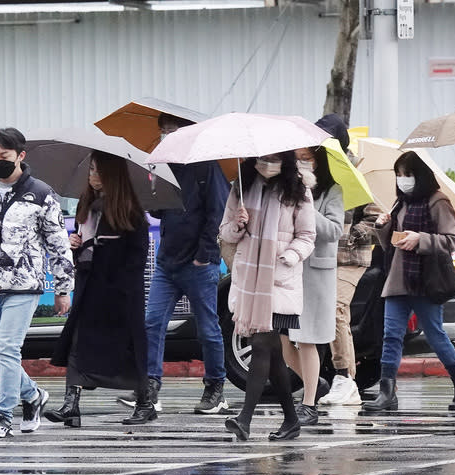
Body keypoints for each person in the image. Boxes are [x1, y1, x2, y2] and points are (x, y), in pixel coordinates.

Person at [117, 113, 230, 415]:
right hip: (167, 263)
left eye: (171, 131)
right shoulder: (165, 168)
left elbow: (217, 212)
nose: (167, 136)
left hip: (199, 263)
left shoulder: (208, 167)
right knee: (152, 323)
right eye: (163, 131)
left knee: (208, 328)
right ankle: (150, 386)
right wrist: (149, 187)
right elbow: (159, 212)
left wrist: (204, 254)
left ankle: (215, 388)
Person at [0, 127, 74, 439]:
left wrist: (63, 288)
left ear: (21, 156)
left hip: (25, 284)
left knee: (7, 347)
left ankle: (2, 415)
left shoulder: (41, 194)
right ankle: (33, 396)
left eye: (4, 156)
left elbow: (58, 243)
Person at [45, 151, 153, 426]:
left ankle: (145, 402)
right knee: (78, 342)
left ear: (112, 175)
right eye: (90, 170)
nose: (92, 176)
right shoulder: (87, 205)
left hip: (120, 294)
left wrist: (105, 255)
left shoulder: (130, 212)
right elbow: (83, 248)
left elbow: (136, 259)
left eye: (98, 171)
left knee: (129, 348)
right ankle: (71, 404)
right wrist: (76, 245)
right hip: (89, 287)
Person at [363, 151, 455, 414]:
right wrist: (383, 226)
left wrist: (420, 239)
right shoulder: (400, 203)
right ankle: (386, 391)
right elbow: (391, 243)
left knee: (435, 334)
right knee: (390, 335)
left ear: (420, 175)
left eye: (407, 175)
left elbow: (451, 240)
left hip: (425, 280)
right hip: (398, 278)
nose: (402, 180)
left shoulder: (438, 202)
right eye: (399, 175)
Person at [220, 152, 316, 441]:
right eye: (262, 158)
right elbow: (225, 232)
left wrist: (288, 256)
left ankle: (245, 420)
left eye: (274, 158)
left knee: (261, 344)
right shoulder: (241, 187)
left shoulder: (298, 189)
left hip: (279, 281)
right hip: (250, 281)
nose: (267, 163)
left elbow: (307, 235)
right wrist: (237, 224)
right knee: (272, 354)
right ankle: (290, 420)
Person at [280, 145, 343, 426]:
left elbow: (334, 231)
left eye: (306, 158)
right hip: (290, 272)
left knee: (308, 340)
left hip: (317, 275)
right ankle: (314, 385)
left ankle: (308, 405)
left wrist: (307, 205)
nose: (301, 163)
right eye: (297, 158)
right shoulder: (288, 189)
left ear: (319, 161)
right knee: (283, 340)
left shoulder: (332, 191)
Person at [320, 201, 383, 405]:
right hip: (320, 257)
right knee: (329, 315)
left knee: (336, 308)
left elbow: (376, 221)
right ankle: (345, 379)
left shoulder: (358, 180)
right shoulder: (315, 183)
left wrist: (352, 235)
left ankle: (344, 375)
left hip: (351, 257)